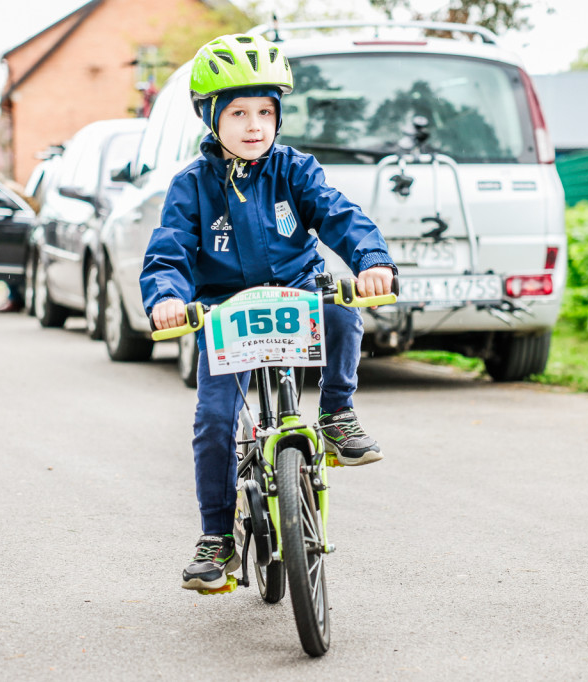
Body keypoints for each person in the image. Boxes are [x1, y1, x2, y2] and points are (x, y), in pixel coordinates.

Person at [139, 34, 397, 591]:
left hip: (296, 295)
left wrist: (371, 260)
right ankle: (216, 538)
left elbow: (338, 215)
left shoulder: (295, 170)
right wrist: (165, 297)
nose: (254, 124)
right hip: (226, 312)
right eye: (237, 112)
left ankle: (335, 414)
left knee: (341, 310)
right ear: (211, 119)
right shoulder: (192, 186)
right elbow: (170, 249)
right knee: (213, 421)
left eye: (265, 111)